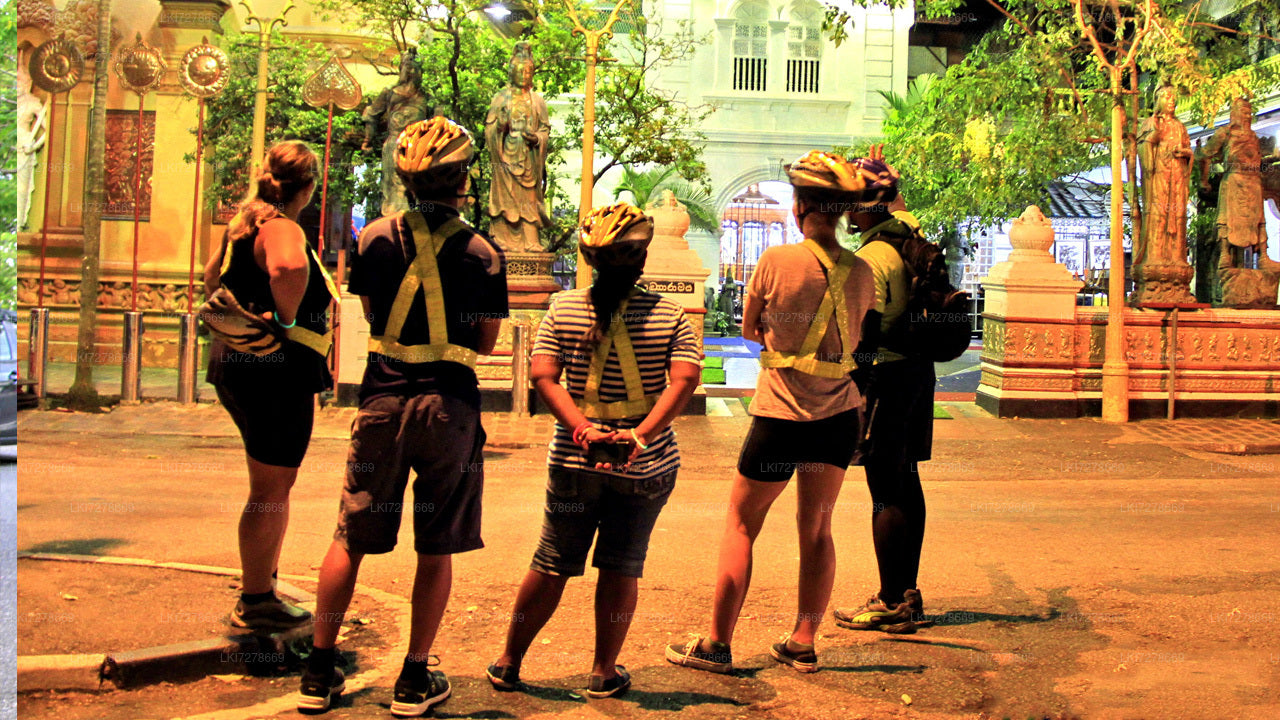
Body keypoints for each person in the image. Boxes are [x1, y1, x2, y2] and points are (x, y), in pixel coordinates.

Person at [298, 117, 508, 715]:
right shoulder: (483, 253)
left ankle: (318, 672)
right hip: (450, 408)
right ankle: (414, 679)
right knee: (435, 543)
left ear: (404, 179)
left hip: (382, 401)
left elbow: (369, 309)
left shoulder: (372, 240)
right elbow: (488, 342)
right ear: (462, 180)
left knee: (351, 535)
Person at [666, 151, 878, 674]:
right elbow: (864, 340)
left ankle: (717, 643)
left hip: (780, 415)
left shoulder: (776, 262)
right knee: (817, 529)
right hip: (838, 418)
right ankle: (804, 640)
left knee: (742, 524)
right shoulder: (862, 270)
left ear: (801, 206)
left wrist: (785, 346)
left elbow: (747, 329)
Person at [486, 202, 701, 698]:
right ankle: (603, 671)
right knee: (622, 564)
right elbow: (685, 379)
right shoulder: (668, 314)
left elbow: (543, 376)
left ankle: (507, 662)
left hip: (573, 460)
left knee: (552, 560)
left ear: (590, 259)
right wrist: (638, 436)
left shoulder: (562, 308)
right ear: (642, 259)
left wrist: (585, 430)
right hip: (643, 464)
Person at [203, 140, 336, 631]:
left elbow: (210, 277)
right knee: (270, 488)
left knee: (270, 484)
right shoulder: (281, 227)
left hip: (238, 365)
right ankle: (257, 598)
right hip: (275, 373)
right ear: (307, 187)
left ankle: (263, 582)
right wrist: (285, 316)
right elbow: (289, 267)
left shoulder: (244, 224)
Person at [832, 147, 938, 635]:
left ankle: (892, 599)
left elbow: (865, 334)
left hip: (888, 382)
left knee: (886, 490)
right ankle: (907, 594)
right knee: (906, 482)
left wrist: (853, 392)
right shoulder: (910, 234)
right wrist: (881, 176)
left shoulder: (872, 257)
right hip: (918, 375)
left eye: (853, 199)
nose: (846, 209)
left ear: (868, 207)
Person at [485, 41, 551, 252]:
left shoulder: (537, 101)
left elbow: (545, 130)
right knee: (505, 202)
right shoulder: (500, 98)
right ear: (511, 71)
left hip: (528, 159)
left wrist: (537, 139)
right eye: (520, 70)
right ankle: (502, 240)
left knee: (529, 201)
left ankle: (531, 240)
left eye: (528, 71)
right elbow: (489, 129)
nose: (524, 74)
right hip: (505, 160)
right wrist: (501, 126)